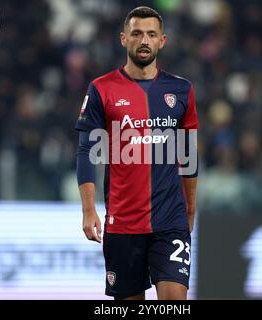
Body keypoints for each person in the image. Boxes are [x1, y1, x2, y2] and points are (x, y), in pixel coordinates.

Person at [75, 6, 199, 300]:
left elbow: (189, 155)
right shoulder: (101, 89)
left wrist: (190, 208)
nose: (144, 40)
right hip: (123, 224)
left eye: (151, 34)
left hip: (170, 221)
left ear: (162, 40)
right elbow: (86, 151)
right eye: (137, 33)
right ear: (123, 39)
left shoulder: (181, 90)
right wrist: (88, 209)